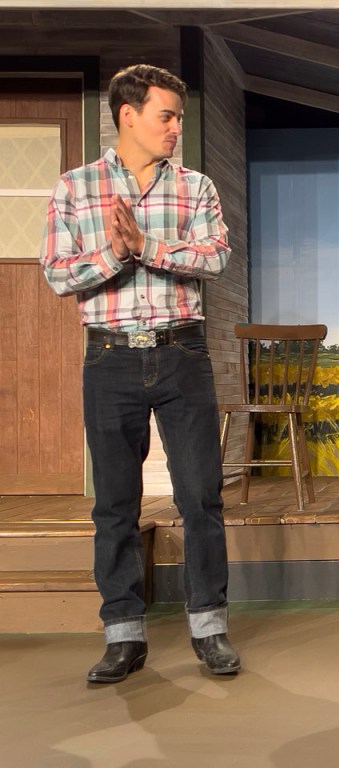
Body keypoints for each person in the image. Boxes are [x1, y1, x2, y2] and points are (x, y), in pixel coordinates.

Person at [39, 64, 239, 683]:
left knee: (200, 496)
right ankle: (123, 635)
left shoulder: (196, 187)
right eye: (166, 115)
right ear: (128, 115)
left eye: (178, 117)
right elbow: (57, 272)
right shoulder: (76, 188)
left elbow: (216, 257)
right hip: (110, 357)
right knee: (115, 504)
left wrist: (147, 248)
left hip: (183, 353)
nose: (175, 127)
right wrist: (114, 253)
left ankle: (209, 627)